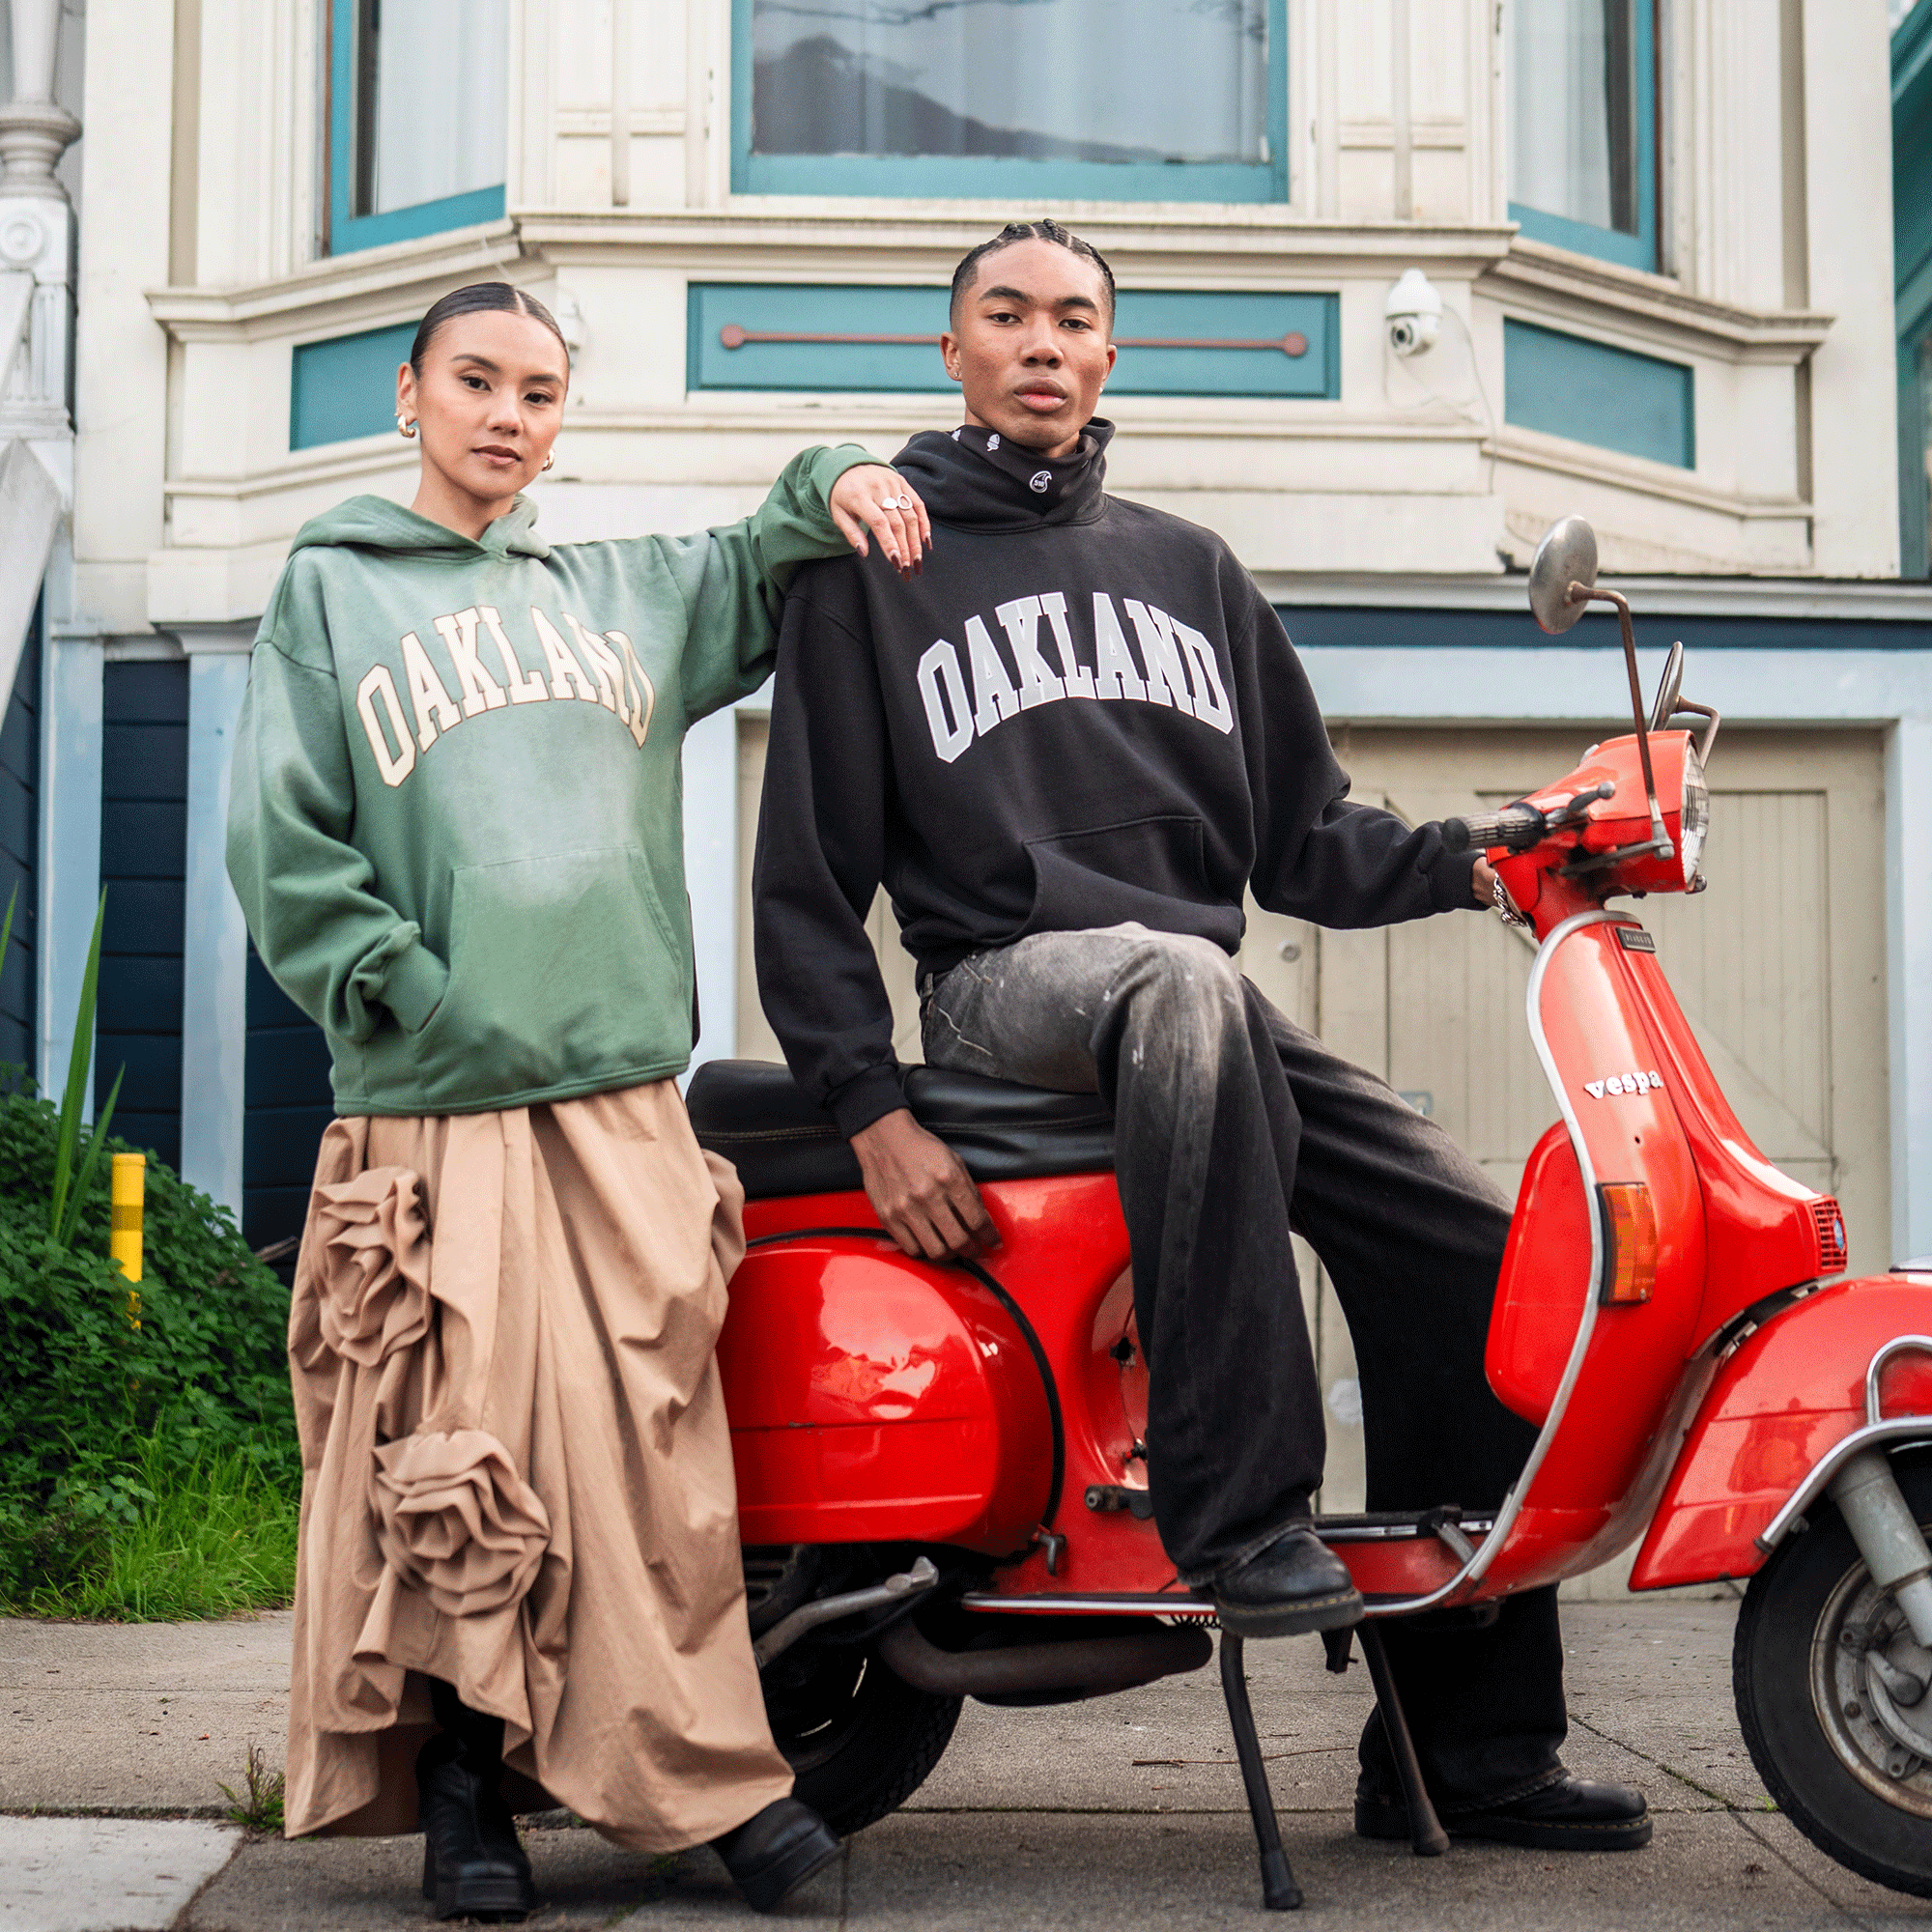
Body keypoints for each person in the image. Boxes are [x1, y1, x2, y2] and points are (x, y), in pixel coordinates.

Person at [752, 221, 1651, 1853]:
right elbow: (806, 882)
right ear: (952, 353)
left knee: (1467, 1238)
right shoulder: (864, 573)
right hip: (1000, 988)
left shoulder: (1191, 568)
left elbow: (1306, 842)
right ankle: (1234, 1517)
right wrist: (872, 1109)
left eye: (1074, 319)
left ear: (1110, 356)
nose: (1041, 341)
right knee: (1181, 980)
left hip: (1194, 998)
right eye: (1005, 316)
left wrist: (1490, 853)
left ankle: (1468, 1752)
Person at [227, 280, 935, 1918]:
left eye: (539, 393)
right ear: (409, 395)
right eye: (476, 381)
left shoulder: (619, 595)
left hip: (621, 1101)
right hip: (439, 1103)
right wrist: (409, 986)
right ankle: (470, 1796)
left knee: (661, 1462)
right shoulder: (328, 593)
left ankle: (696, 1781)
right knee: (461, 1461)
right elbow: (284, 839)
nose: (506, 415)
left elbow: (772, 546)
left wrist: (842, 467)